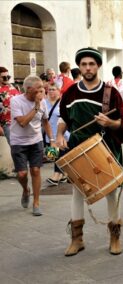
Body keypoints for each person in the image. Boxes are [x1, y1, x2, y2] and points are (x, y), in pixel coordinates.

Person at [56, 47, 123, 256]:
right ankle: (76, 239)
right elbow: (64, 118)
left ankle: (115, 238)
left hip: (104, 146)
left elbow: (122, 124)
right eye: (84, 64)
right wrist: (60, 135)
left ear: (98, 66)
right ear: (79, 67)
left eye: (92, 64)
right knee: (77, 191)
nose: (88, 68)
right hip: (78, 146)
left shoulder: (110, 93)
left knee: (111, 192)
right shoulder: (70, 92)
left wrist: (110, 122)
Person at [10, 75, 55, 216]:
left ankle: (36, 202)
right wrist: (36, 106)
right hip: (18, 142)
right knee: (22, 174)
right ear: (29, 89)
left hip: (36, 141)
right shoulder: (16, 101)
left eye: (43, 87)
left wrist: (52, 140)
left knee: (35, 171)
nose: (43, 90)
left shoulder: (43, 103)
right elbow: (22, 122)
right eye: (39, 88)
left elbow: (45, 122)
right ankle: (25, 190)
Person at [44, 81, 69, 185]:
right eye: (49, 89)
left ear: (59, 91)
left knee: (61, 156)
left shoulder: (63, 102)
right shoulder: (44, 102)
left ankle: (56, 175)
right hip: (49, 136)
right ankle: (64, 174)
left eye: (53, 89)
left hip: (63, 135)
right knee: (54, 157)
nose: (51, 92)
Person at [109, 66, 123, 156]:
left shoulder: (108, 83)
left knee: (112, 129)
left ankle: (113, 149)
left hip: (112, 110)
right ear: (120, 73)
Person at [0, 67, 21, 144]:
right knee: (14, 146)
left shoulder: (14, 86)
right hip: (7, 123)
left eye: (8, 77)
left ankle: (53, 155)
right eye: (4, 77)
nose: (7, 79)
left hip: (20, 121)